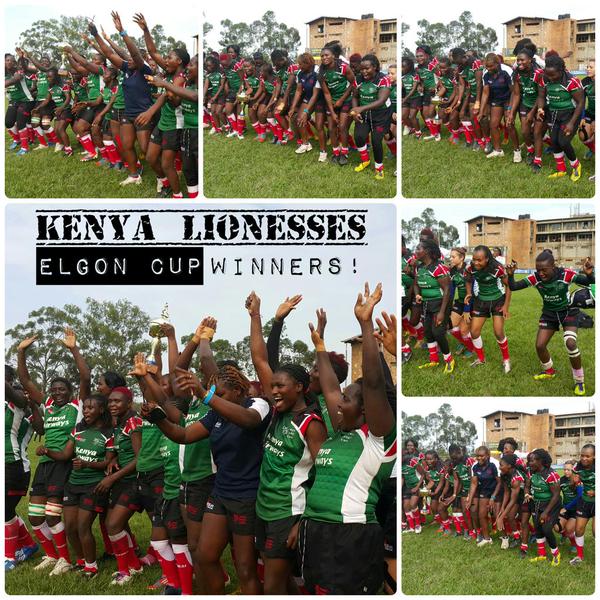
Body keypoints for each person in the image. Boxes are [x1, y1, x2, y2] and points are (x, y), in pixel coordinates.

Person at [297, 283, 396, 594]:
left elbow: (377, 386)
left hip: (350, 536)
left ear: (367, 409)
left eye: (349, 399)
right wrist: (320, 346)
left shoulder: (378, 439)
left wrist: (365, 325)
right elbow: (328, 387)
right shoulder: (341, 431)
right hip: (314, 529)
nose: (339, 402)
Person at [144, 361, 269, 594]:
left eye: (219, 393)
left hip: (246, 496)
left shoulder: (257, 404)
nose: (215, 398)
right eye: (213, 394)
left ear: (238, 391)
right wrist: (158, 419)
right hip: (221, 492)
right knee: (204, 556)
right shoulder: (215, 415)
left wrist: (204, 393)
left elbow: (249, 420)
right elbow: (183, 435)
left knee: (244, 568)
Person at [247, 293, 327, 593]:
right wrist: (260, 316)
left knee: (273, 587)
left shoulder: (311, 424)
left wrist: (300, 521)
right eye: (273, 386)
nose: (274, 391)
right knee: (282, 582)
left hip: (289, 512)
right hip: (264, 507)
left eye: (281, 386)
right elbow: (260, 358)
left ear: (300, 388)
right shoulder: (277, 413)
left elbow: (324, 475)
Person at [17, 328, 89, 576]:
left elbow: (85, 376)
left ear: (69, 393)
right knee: (35, 515)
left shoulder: (76, 406)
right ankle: (51, 555)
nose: (57, 393)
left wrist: (73, 349)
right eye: (54, 389)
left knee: (52, 515)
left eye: (62, 389)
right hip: (46, 465)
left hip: (64, 463)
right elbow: (25, 381)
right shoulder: (47, 405)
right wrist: (21, 352)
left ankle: (65, 559)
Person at [37, 394, 112, 578]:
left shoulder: (109, 433)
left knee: (82, 527)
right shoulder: (78, 429)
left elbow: (107, 464)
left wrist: (87, 464)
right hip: (73, 484)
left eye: (90, 408)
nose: (86, 411)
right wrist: (47, 451)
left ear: (101, 410)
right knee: (70, 527)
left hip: (93, 486)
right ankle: (80, 561)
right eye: (84, 408)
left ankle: (91, 567)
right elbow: (64, 455)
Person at [506, 251, 594, 395]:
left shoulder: (566, 274)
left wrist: (589, 274)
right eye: (538, 269)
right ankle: (549, 371)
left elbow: (591, 282)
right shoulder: (535, 278)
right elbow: (514, 287)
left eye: (544, 270)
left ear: (553, 266)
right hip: (549, 314)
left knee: (570, 343)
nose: (540, 273)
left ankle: (579, 381)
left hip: (568, 312)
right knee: (540, 345)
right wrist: (510, 275)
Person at [5, 366, 43, 571]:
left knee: (5, 510)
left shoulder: (19, 404)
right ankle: (28, 545)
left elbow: (40, 427)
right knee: (7, 509)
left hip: (15, 465)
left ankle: (9, 557)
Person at [146, 54, 199, 198]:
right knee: (150, 157)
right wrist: (145, 30)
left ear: (179, 61)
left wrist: (151, 111)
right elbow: (152, 51)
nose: (165, 60)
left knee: (166, 164)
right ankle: (166, 183)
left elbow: (175, 101)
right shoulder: (168, 73)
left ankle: (177, 195)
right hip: (162, 122)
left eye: (169, 57)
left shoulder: (181, 78)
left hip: (174, 124)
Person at [535, 54, 585, 181]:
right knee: (554, 141)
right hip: (553, 113)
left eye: (553, 75)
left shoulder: (571, 81)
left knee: (563, 141)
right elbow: (541, 96)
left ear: (562, 70)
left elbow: (580, 103)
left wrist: (572, 123)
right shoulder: (544, 78)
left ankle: (576, 166)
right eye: (548, 75)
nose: (550, 78)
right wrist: (540, 108)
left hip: (570, 115)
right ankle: (561, 169)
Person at [465, 245, 512, 373]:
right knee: (474, 332)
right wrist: (469, 293)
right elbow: (468, 280)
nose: (476, 262)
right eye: (474, 259)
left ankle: (506, 360)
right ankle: (481, 359)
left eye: (479, 260)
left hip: (497, 300)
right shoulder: (470, 268)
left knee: (498, 332)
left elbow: (509, 286)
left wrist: (506, 306)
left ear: (487, 259)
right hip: (481, 301)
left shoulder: (497, 268)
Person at [413, 239, 454, 373]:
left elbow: (447, 290)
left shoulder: (438, 268)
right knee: (428, 332)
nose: (416, 251)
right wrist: (418, 294)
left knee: (438, 332)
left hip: (441, 303)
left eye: (419, 249)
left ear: (427, 251)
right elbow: (415, 284)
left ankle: (449, 360)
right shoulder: (419, 267)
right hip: (426, 304)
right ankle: (434, 360)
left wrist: (442, 313)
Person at [351, 54, 393, 179]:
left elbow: (381, 101)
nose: (364, 71)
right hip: (364, 113)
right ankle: (365, 160)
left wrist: (361, 108)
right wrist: (356, 112)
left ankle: (379, 168)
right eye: (362, 68)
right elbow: (355, 96)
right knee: (359, 136)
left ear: (375, 67)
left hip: (381, 114)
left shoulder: (383, 79)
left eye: (367, 68)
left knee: (376, 140)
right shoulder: (358, 79)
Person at [315, 45, 355, 165]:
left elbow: (353, 83)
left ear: (333, 56)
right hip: (331, 102)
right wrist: (332, 112)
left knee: (342, 126)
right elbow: (326, 93)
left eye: (326, 55)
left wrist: (342, 100)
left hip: (345, 100)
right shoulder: (321, 72)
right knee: (331, 128)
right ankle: (335, 152)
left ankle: (344, 153)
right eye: (322, 56)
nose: (324, 58)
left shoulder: (343, 68)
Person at [525, 448, 561, 566]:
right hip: (537, 504)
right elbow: (527, 485)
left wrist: (546, 512)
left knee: (546, 529)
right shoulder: (531, 472)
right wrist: (527, 493)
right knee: (538, 529)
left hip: (551, 505)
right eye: (529, 461)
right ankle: (542, 555)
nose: (530, 463)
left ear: (541, 461)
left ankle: (556, 554)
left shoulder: (551, 475)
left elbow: (556, 495)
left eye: (532, 461)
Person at [506, 49, 542, 167]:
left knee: (536, 133)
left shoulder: (538, 73)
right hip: (525, 104)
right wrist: (511, 112)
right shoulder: (516, 73)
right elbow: (516, 94)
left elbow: (541, 95)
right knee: (525, 131)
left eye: (522, 60)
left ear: (530, 60)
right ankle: (530, 151)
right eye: (518, 60)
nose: (519, 62)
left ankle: (538, 159)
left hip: (539, 105)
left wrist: (532, 112)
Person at [466, 446, 500, 547]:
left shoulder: (494, 464)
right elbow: (474, 484)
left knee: (496, 514)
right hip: (483, 492)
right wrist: (470, 498)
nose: (479, 458)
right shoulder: (475, 466)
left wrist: (493, 498)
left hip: (496, 491)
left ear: (488, 455)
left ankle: (506, 537)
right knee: (481, 514)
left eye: (482, 456)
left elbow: (499, 483)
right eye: (477, 456)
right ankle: (486, 538)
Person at [5, 53, 35, 155]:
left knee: (21, 123)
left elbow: (16, 79)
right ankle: (17, 140)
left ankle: (24, 148)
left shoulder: (19, 71)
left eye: (12, 61)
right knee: (8, 123)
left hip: (26, 100)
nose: (10, 62)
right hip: (14, 101)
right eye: (8, 60)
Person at [570, 444, 595, 565]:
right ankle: (579, 556)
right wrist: (575, 482)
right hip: (584, 501)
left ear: (594, 456)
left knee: (596, 531)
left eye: (588, 456)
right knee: (578, 529)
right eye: (582, 456)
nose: (584, 458)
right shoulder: (577, 466)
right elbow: (573, 483)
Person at [448, 247, 475, 356]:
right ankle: (463, 342)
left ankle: (471, 348)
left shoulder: (469, 270)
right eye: (450, 257)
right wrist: (448, 306)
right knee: (450, 326)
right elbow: (451, 291)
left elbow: (472, 291)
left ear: (462, 258)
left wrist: (467, 309)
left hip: (471, 303)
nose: (451, 259)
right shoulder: (453, 271)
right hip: (459, 301)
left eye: (453, 257)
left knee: (463, 331)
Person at [496, 454, 525, 550]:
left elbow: (513, 500)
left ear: (509, 466)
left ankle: (529, 537)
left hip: (525, 497)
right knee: (510, 516)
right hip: (515, 496)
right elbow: (507, 492)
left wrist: (501, 517)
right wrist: (503, 507)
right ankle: (517, 537)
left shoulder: (516, 478)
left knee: (519, 518)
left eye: (501, 465)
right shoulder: (504, 474)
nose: (499, 468)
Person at [415, 45, 440, 141]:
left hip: (435, 92)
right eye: (417, 56)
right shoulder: (418, 68)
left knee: (432, 113)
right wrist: (420, 86)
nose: (419, 58)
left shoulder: (432, 66)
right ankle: (434, 133)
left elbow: (441, 78)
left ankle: (437, 133)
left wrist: (436, 86)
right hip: (426, 93)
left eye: (421, 56)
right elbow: (420, 81)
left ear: (427, 56)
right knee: (426, 114)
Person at [558, 459, 581, 554]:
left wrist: (566, 508)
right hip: (565, 508)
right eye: (564, 469)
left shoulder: (577, 480)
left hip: (576, 510)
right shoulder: (562, 480)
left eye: (568, 469)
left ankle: (574, 544)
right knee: (557, 527)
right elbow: (556, 494)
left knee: (568, 529)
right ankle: (564, 535)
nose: (566, 471)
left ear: (574, 470)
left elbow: (580, 497)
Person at [401, 57, 421, 138]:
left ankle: (418, 132)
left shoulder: (415, 75)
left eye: (403, 66)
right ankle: (412, 127)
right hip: (406, 98)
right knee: (403, 116)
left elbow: (413, 89)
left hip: (415, 98)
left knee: (412, 116)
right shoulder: (402, 76)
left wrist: (405, 98)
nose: (401, 68)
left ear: (409, 66)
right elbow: (402, 87)